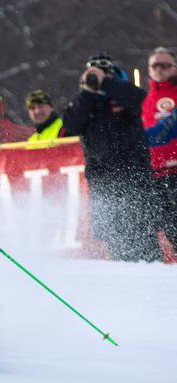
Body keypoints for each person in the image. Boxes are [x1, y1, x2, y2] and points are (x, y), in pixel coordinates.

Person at [63, 53, 162, 262]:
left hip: (136, 179)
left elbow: (142, 101)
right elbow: (71, 125)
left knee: (145, 246)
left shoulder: (125, 92)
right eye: (94, 71)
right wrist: (89, 92)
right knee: (116, 246)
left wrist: (107, 83)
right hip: (103, 182)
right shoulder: (86, 101)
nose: (98, 75)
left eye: (104, 70)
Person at [142, 46, 177, 251]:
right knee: (168, 227)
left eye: (166, 65)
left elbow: (167, 129)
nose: (160, 69)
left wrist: (140, 139)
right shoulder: (146, 99)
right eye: (156, 65)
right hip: (156, 172)